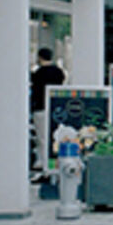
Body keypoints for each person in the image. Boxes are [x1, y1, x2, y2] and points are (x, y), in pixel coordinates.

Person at [29, 48, 65, 178]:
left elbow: (35, 91)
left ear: (40, 57)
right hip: (55, 109)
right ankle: (54, 164)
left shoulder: (37, 74)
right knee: (54, 137)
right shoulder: (59, 72)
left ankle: (45, 165)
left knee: (42, 138)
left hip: (40, 108)